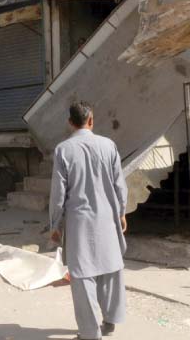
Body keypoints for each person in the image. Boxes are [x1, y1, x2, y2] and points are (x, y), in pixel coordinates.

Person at [49, 101, 128, 340]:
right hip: (107, 216)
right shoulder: (109, 145)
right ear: (91, 120)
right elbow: (119, 184)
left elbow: (58, 193)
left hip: (80, 221)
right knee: (110, 268)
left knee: (83, 276)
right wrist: (122, 212)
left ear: (70, 122)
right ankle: (111, 320)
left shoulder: (63, 150)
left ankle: (90, 333)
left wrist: (55, 224)